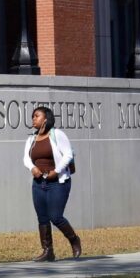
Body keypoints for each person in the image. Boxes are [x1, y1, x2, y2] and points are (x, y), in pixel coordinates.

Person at [23, 106, 82, 262]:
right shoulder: (31, 139)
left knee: (55, 217)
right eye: (33, 116)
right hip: (38, 183)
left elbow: (68, 154)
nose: (33, 119)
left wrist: (56, 171)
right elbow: (26, 158)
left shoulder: (57, 134)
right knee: (42, 218)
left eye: (36, 116)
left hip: (58, 182)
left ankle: (74, 240)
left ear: (46, 119)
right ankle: (48, 251)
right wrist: (32, 167)